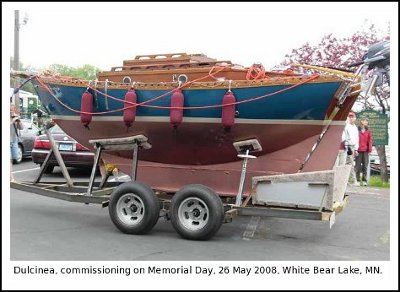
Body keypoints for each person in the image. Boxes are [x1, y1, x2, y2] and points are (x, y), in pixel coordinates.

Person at [338, 111, 359, 185]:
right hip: (346, 146)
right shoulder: (346, 125)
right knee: (344, 164)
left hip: (352, 147)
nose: (351, 118)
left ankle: (351, 180)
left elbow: (356, 138)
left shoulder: (355, 127)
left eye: (352, 116)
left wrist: (356, 148)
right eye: (349, 116)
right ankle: (348, 180)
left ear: (355, 118)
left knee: (350, 164)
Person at [356, 117, 373, 186]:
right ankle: (357, 180)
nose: (365, 122)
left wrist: (370, 149)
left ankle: (364, 180)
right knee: (357, 166)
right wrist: (355, 149)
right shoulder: (357, 130)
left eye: (366, 121)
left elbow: (370, 140)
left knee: (365, 166)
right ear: (361, 121)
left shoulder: (368, 131)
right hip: (358, 150)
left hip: (365, 151)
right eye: (364, 120)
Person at [10, 109, 24, 182]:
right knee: (9, 160)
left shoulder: (15, 117)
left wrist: (19, 121)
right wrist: (12, 121)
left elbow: (21, 128)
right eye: (10, 109)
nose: (12, 111)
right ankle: (11, 178)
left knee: (14, 158)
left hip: (14, 141)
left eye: (13, 109)